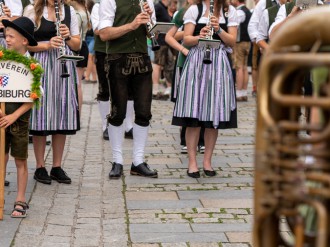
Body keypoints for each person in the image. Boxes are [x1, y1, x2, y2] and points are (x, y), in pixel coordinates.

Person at [172, 0, 238, 178]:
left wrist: (218, 30)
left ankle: (207, 161)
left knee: (213, 114)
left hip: (218, 63)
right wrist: (200, 36)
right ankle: (192, 162)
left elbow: (232, 41)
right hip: (196, 62)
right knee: (193, 114)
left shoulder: (228, 10)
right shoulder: (195, 9)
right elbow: (186, 39)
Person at [99, 0, 158, 179]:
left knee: (143, 111)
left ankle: (138, 161)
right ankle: (117, 161)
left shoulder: (147, 1)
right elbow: (104, 33)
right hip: (117, 59)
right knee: (118, 112)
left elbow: (153, 33)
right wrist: (132, 25)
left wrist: (151, 24)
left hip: (142, 59)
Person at [24, 0, 81, 184]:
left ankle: (57, 166)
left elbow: (78, 45)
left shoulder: (69, 11)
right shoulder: (33, 11)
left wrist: (68, 37)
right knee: (41, 115)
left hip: (63, 66)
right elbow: (26, 44)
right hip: (41, 66)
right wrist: (47, 45)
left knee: (61, 113)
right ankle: (40, 166)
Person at [0, 16, 38, 217]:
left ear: (24, 41)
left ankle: (20, 198)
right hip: (1, 118)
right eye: (6, 35)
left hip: (19, 120)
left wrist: (13, 115)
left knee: (20, 159)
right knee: (0, 157)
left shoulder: (31, 66)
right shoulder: (2, 61)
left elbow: (33, 97)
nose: (7, 39)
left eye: (11, 36)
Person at [165, 0, 205, 154]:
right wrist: (183, 48)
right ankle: (184, 140)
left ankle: (201, 140)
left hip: (205, 63)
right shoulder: (183, 12)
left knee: (203, 101)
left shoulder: (210, 10)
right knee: (186, 102)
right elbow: (170, 36)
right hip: (186, 62)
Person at [70, 0, 90, 114]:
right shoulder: (84, 9)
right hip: (83, 46)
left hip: (78, 47)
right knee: (78, 84)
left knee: (76, 84)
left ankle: (77, 113)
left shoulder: (77, 13)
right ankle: (78, 113)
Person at [152, 0, 175, 100]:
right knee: (158, 64)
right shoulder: (158, 7)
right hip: (160, 41)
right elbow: (151, 20)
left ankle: (169, 87)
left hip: (166, 42)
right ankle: (155, 89)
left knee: (168, 64)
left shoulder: (164, 8)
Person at [232, 0, 251, 102]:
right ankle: (243, 92)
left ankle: (239, 93)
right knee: (244, 68)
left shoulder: (239, 12)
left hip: (240, 42)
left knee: (239, 67)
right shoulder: (247, 10)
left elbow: (235, 26)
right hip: (247, 42)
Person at [84, 0, 97, 83]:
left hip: (93, 38)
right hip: (87, 38)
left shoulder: (94, 14)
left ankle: (87, 76)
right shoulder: (85, 14)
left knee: (90, 56)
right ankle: (95, 78)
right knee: (91, 59)